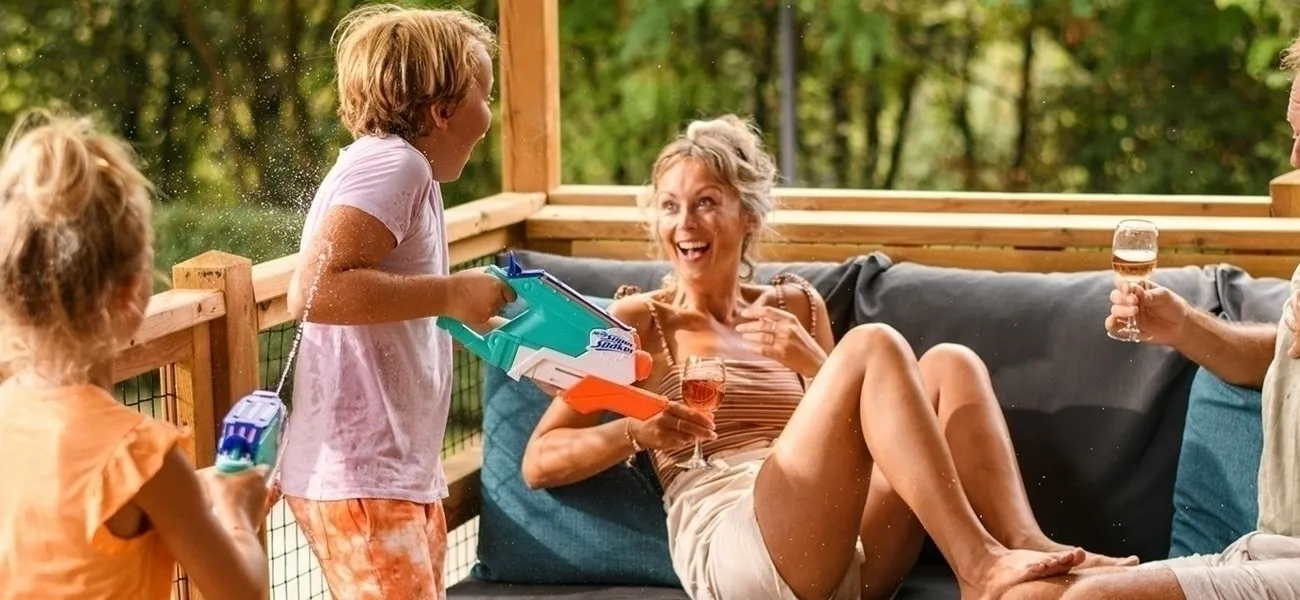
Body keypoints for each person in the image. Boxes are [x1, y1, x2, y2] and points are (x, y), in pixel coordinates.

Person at [519, 114, 1133, 600]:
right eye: (670, 205)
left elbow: (866, 429)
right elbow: (540, 461)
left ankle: (1023, 543)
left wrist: (814, 362)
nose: (686, 221)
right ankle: (979, 565)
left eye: (707, 201)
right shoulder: (635, 322)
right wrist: (635, 430)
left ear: (748, 215)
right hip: (739, 541)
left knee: (950, 363)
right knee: (875, 343)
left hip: (844, 546)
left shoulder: (797, 304)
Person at [1004, 34, 1300, 600]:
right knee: (1027, 593)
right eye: (1293, 135)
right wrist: (1183, 325)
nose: (1294, 159)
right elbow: (1282, 355)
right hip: (1269, 546)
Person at [278, 4, 514, 600]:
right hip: (364, 475)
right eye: (486, 95)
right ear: (442, 111)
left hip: (392, 474)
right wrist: (453, 291)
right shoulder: (395, 164)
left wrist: (466, 313)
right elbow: (314, 291)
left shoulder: (410, 172)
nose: (491, 113)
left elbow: (388, 297)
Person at [0, 111, 272, 599]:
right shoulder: (140, 455)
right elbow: (243, 595)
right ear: (129, 292)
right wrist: (237, 514)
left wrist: (194, 487)